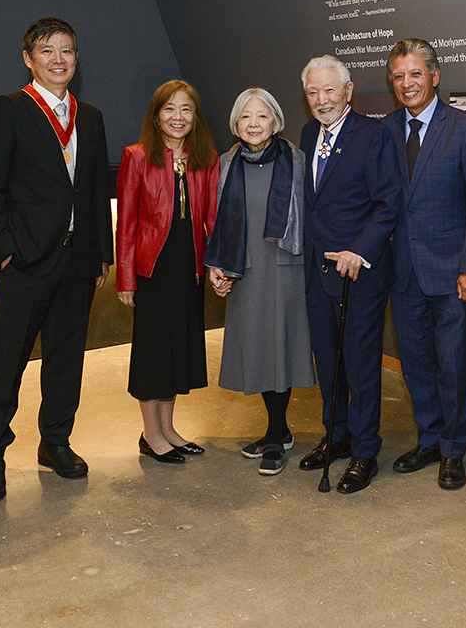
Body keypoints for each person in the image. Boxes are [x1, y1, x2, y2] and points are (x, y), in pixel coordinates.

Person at [0, 17, 113, 503]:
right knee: (7, 360)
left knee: (66, 358)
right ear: (28, 59)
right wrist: (6, 252)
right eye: (48, 51)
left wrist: (100, 255)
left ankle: (55, 441)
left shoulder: (89, 116)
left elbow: (96, 191)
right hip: (27, 261)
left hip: (78, 263)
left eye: (67, 51)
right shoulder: (9, 110)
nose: (59, 60)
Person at [383, 39, 466, 491]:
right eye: (398, 77)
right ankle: (428, 438)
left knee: (453, 364)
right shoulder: (387, 130)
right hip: (403, 273)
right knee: (415, 364)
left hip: (453, 275)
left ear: (435, 76)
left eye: (414, 74)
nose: (407, 84)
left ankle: (453, 449)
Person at [297, 56, 403, 494]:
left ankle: (364, 451)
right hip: (316, 272)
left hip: (356, 273)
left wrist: (359, 251)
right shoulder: (306, 135)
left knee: (360, 366)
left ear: (348, 91)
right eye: (312, 93)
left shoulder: (374, 135)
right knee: (328, 361)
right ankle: (336, 436)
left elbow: (387, 202)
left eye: (329, 91)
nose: (321, 100)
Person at [204, 88, 312, 475]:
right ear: (236, 123)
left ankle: (277, 433)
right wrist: (217, 266)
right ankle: (278, 433)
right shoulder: (226, 163)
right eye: (246, 116)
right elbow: (215, 222)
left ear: (276, 121)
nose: (253, 124)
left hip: (286, 268)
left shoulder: (296, 160)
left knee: (280, 349)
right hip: (245, 270)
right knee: (258, 350)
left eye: (262, 116)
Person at [116, 81, 219, 464]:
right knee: (154, 354)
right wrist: (125, 277)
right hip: (151, 271)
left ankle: (169, 429)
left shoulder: (206, 157)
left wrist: (216, 266)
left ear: (195, 117)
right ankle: (150, 434)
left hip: (188, 268)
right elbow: (125, 223)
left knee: (179, 351)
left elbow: (212, 217)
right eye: (170, 109)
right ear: (157, 115)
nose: (178, 117)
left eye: (186, 109)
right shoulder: (137, 156)